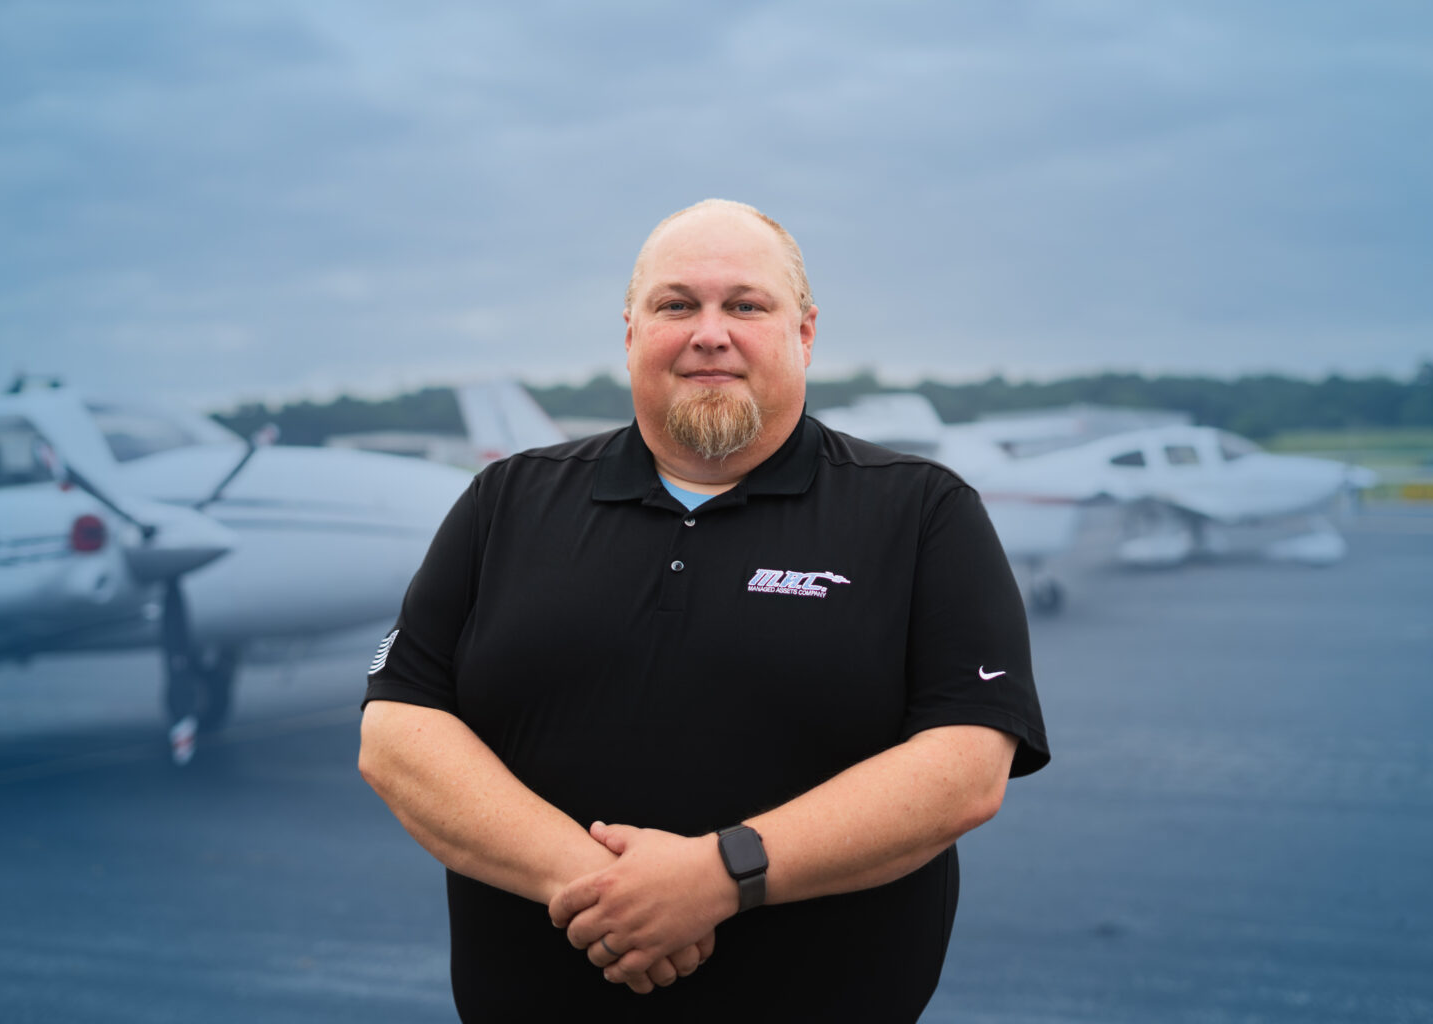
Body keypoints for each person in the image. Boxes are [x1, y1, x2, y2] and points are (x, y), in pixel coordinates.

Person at [359, 198, 1049, 1022]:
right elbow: (397, 729)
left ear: (804, 333)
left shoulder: (924, 512)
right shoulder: (504, 500)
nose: (710, 333)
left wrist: (722, 876)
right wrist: (601, 886)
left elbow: (966, 765)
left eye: (746, 305)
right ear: (631, 333)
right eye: (676, 305)